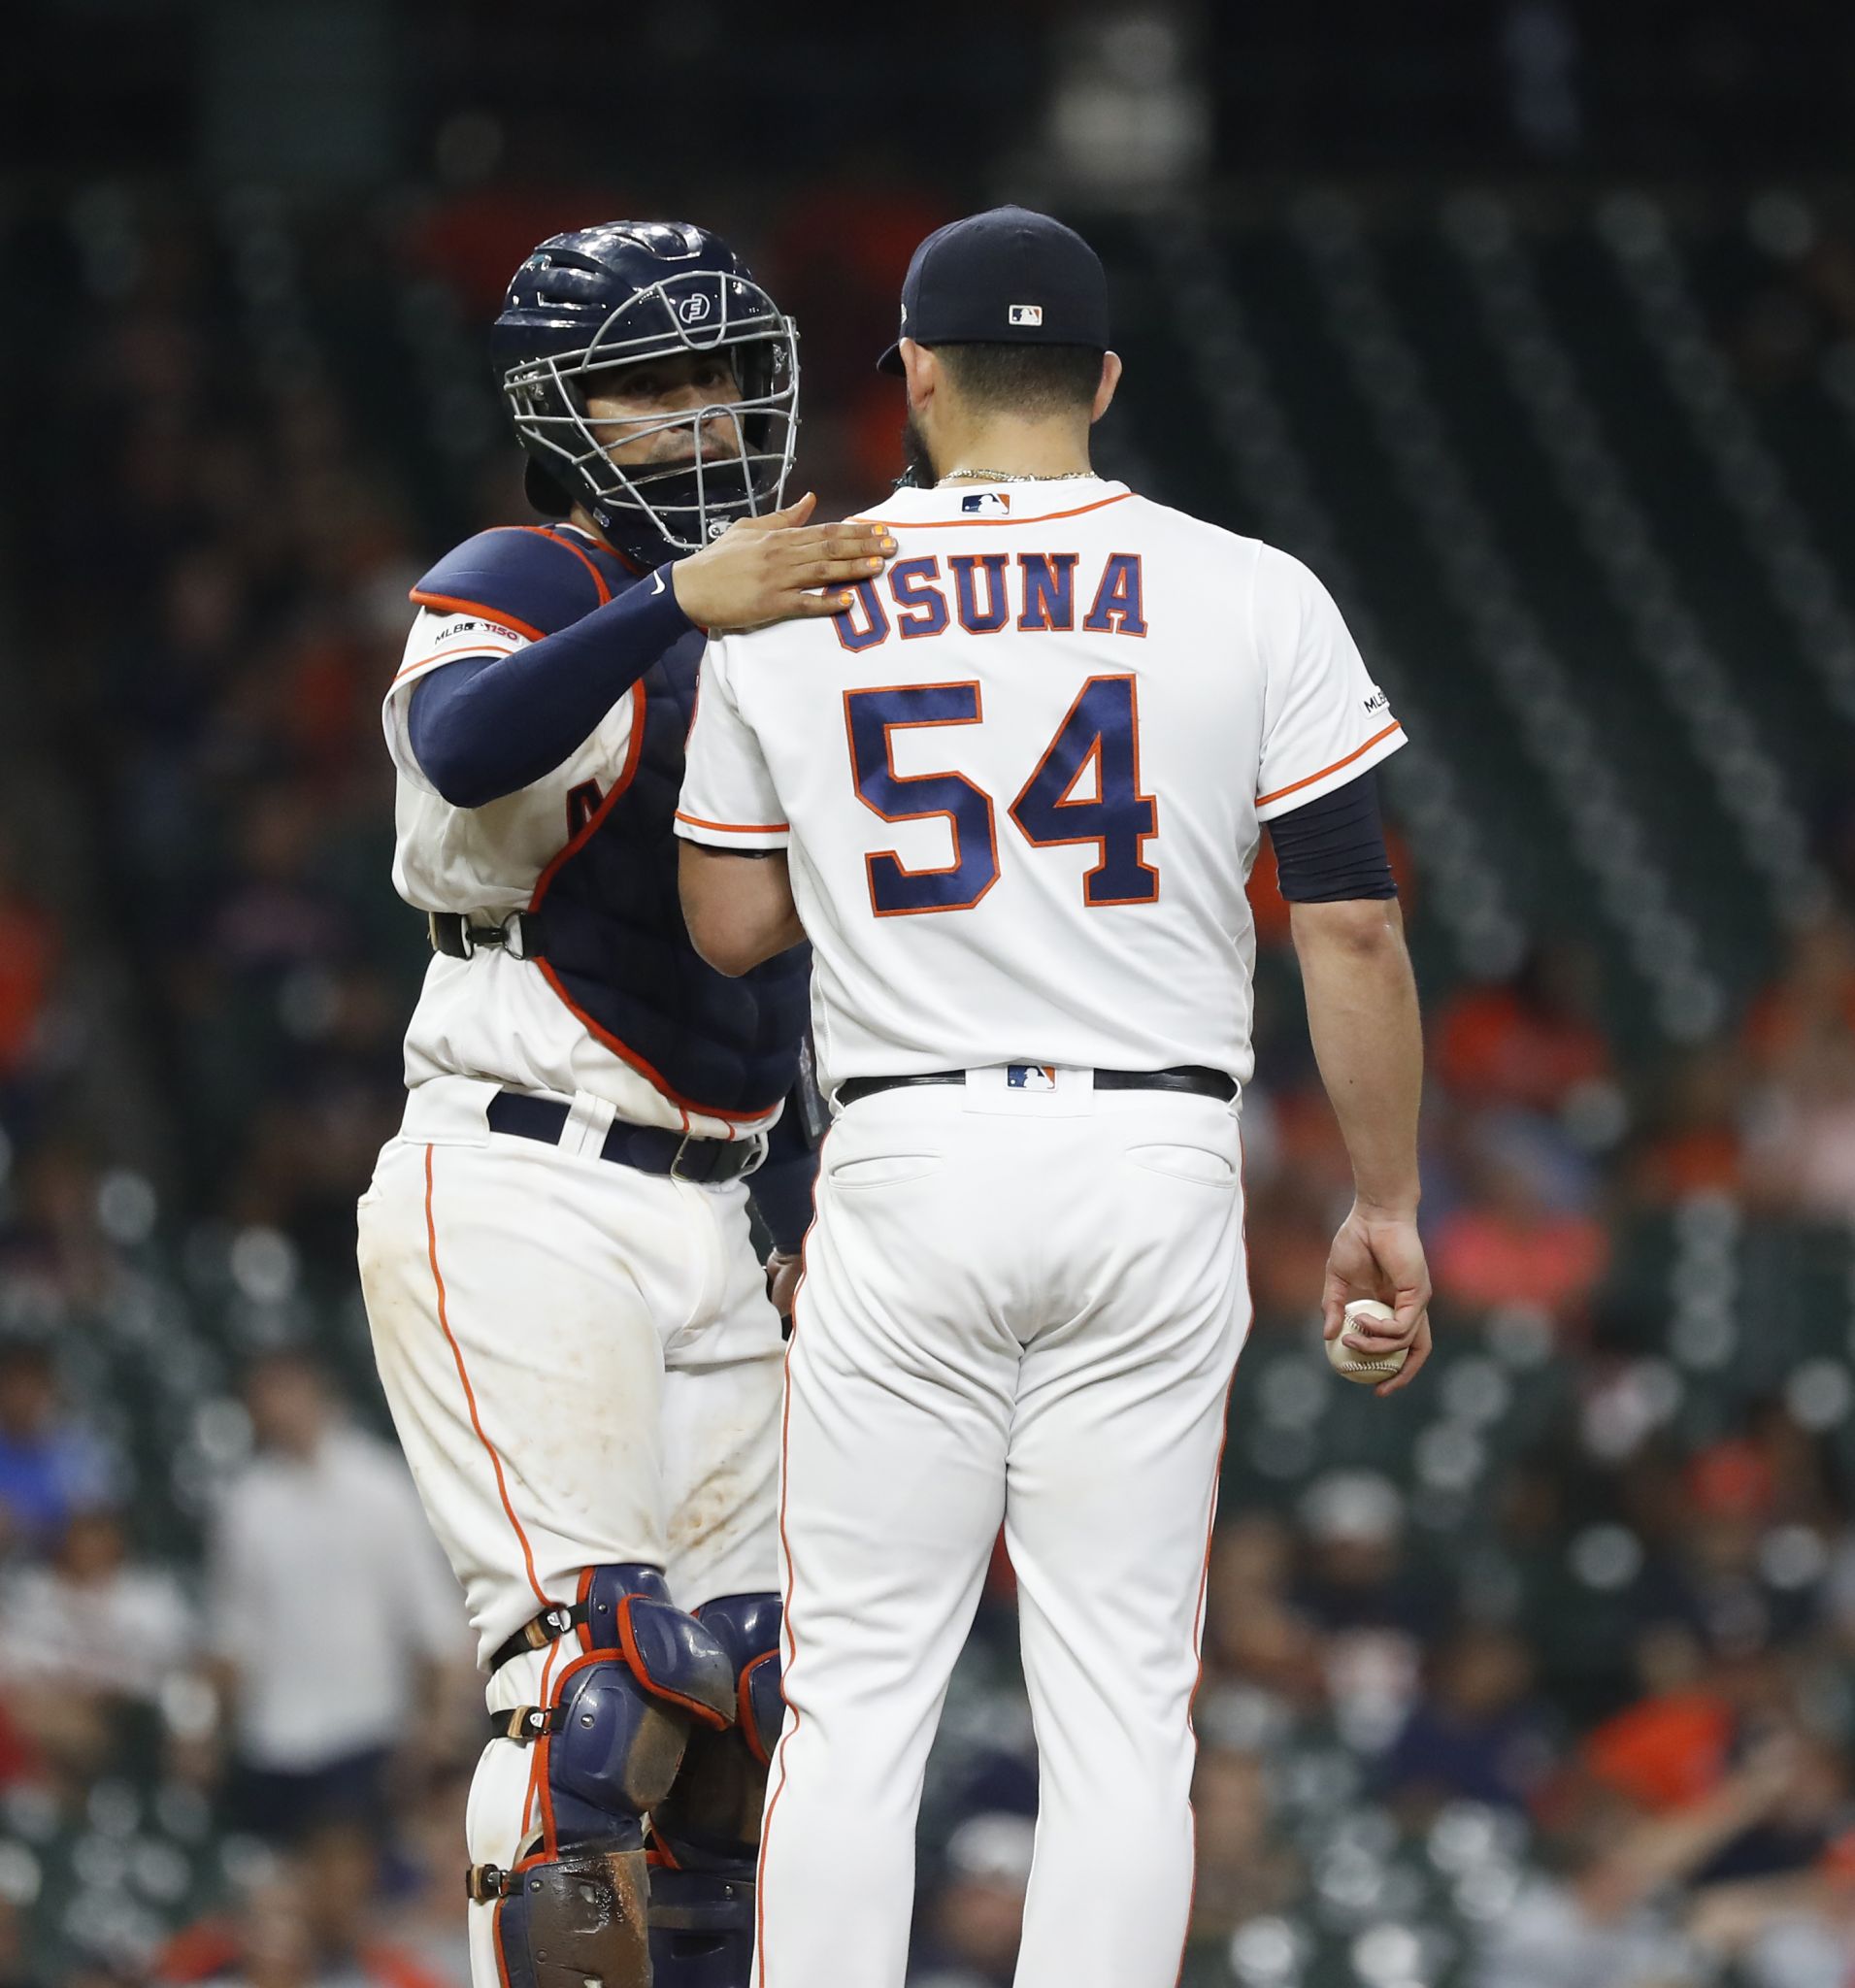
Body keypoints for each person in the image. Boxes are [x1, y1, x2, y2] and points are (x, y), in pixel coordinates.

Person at [675, 205, 1433, 1987]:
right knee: (1118, 1698)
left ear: (918, 380)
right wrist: (1384, 1202)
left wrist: (872, 855)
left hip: (910, 1151)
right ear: (1098, 377)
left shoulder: (797, 596)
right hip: (1149, 1149)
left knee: (858, 1691)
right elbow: (1350, 925)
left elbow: (723, 922)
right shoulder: (1252, 587)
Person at [354, 220, 896, 1988]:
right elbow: (462, 744)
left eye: (721, 376)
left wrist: (807, 1197)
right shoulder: (525, 566)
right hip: (522, 1171)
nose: (700, 414)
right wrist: (679, 598)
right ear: (558, 407)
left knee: (745, 1703)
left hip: (711, 1200)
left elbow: (776, 951)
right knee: (594, 1687)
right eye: (650, 386)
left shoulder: (773, 612)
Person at [204, 1351, 469, 1841]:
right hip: (272, 1740)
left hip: (367, 1729)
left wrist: (434, 1725)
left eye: (284, 1390)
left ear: (316, 1391)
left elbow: (430, 1618)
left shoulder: (381, 1486)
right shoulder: (247, 1504)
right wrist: (206, 1728)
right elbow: (235, 1633)